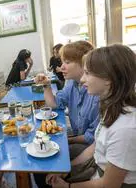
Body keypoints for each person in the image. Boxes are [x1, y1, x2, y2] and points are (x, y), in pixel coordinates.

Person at [47, 44, 136, 188]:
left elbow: (109, 184)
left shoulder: (125, 129)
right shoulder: (112, 107)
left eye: (87, 73)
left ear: (108, 78)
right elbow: (95, 147)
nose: (82, 80)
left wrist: (67, 186)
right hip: (97, 168)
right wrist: (67, 169)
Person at [34, 41, 100, 188]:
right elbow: (56, 104)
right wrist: (46, 85)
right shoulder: (71, 82)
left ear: (84, 63)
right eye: (62, 61)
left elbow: (93, 137)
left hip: (90, 146)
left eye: (67, 62)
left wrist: (67, 140)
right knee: (43, 154)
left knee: (43, 161)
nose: (61, 67)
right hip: (81, 138)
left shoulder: (97, 93)